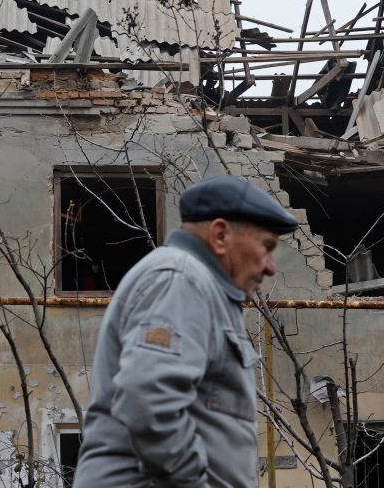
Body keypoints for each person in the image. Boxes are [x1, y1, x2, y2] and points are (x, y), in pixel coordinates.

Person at [73, 175, 298, 488]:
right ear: (220, 235)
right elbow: (148, 399)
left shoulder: (201, 287)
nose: (271, 267)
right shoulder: (181, 279)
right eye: (266, 247)